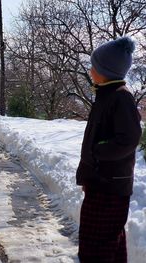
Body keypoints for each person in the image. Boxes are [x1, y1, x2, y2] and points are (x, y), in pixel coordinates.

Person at [76, 37, 142, 262]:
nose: (91, 70)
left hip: (110, 186)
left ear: (106, 71)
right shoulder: (105, 95)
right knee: (108, 242)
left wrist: (99, 153)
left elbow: (130, 138)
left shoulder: (120, 97)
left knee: (97, 246)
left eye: (94, 66)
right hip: (101, 182)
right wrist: (89, 173)